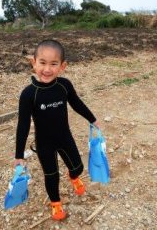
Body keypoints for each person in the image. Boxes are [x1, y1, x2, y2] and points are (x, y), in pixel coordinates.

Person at [14, 39, 99, 221]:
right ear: (33, 63)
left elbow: (77, 104)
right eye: (42, 63)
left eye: (54, 64)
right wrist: (18, 154)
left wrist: (93, 119)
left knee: (78, 166)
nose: (47, 69)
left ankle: (74, 177)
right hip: (44, 143)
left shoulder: (64, 86)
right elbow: (23, 124)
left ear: (62, 66)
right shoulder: (29, 94)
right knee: (51, 175)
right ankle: (56, 203)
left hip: (64, 137)